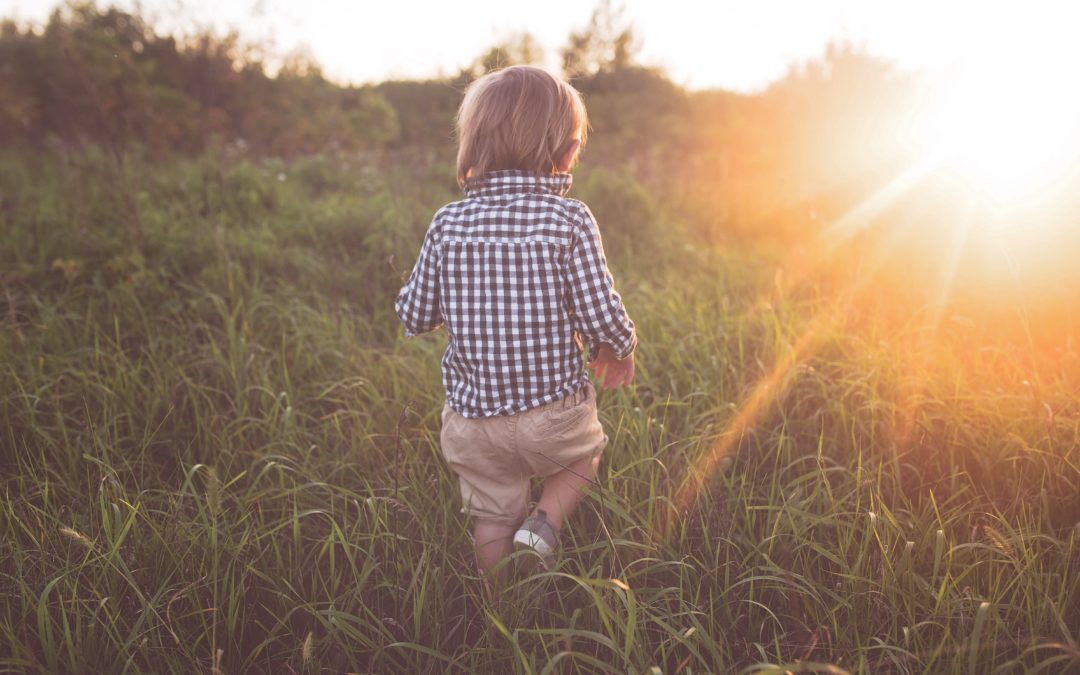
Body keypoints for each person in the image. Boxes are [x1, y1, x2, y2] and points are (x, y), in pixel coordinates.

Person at [394, 65, 637, 584]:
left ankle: (502, 615)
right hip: (553, 412)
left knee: (491, 515)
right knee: (582, 460)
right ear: (567, 150)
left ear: (474, 142)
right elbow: (599, 310)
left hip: (473, 421)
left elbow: (414, 315)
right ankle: (544, 523)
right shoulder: (568, 220)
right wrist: (620, 347)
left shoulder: (447, 222)